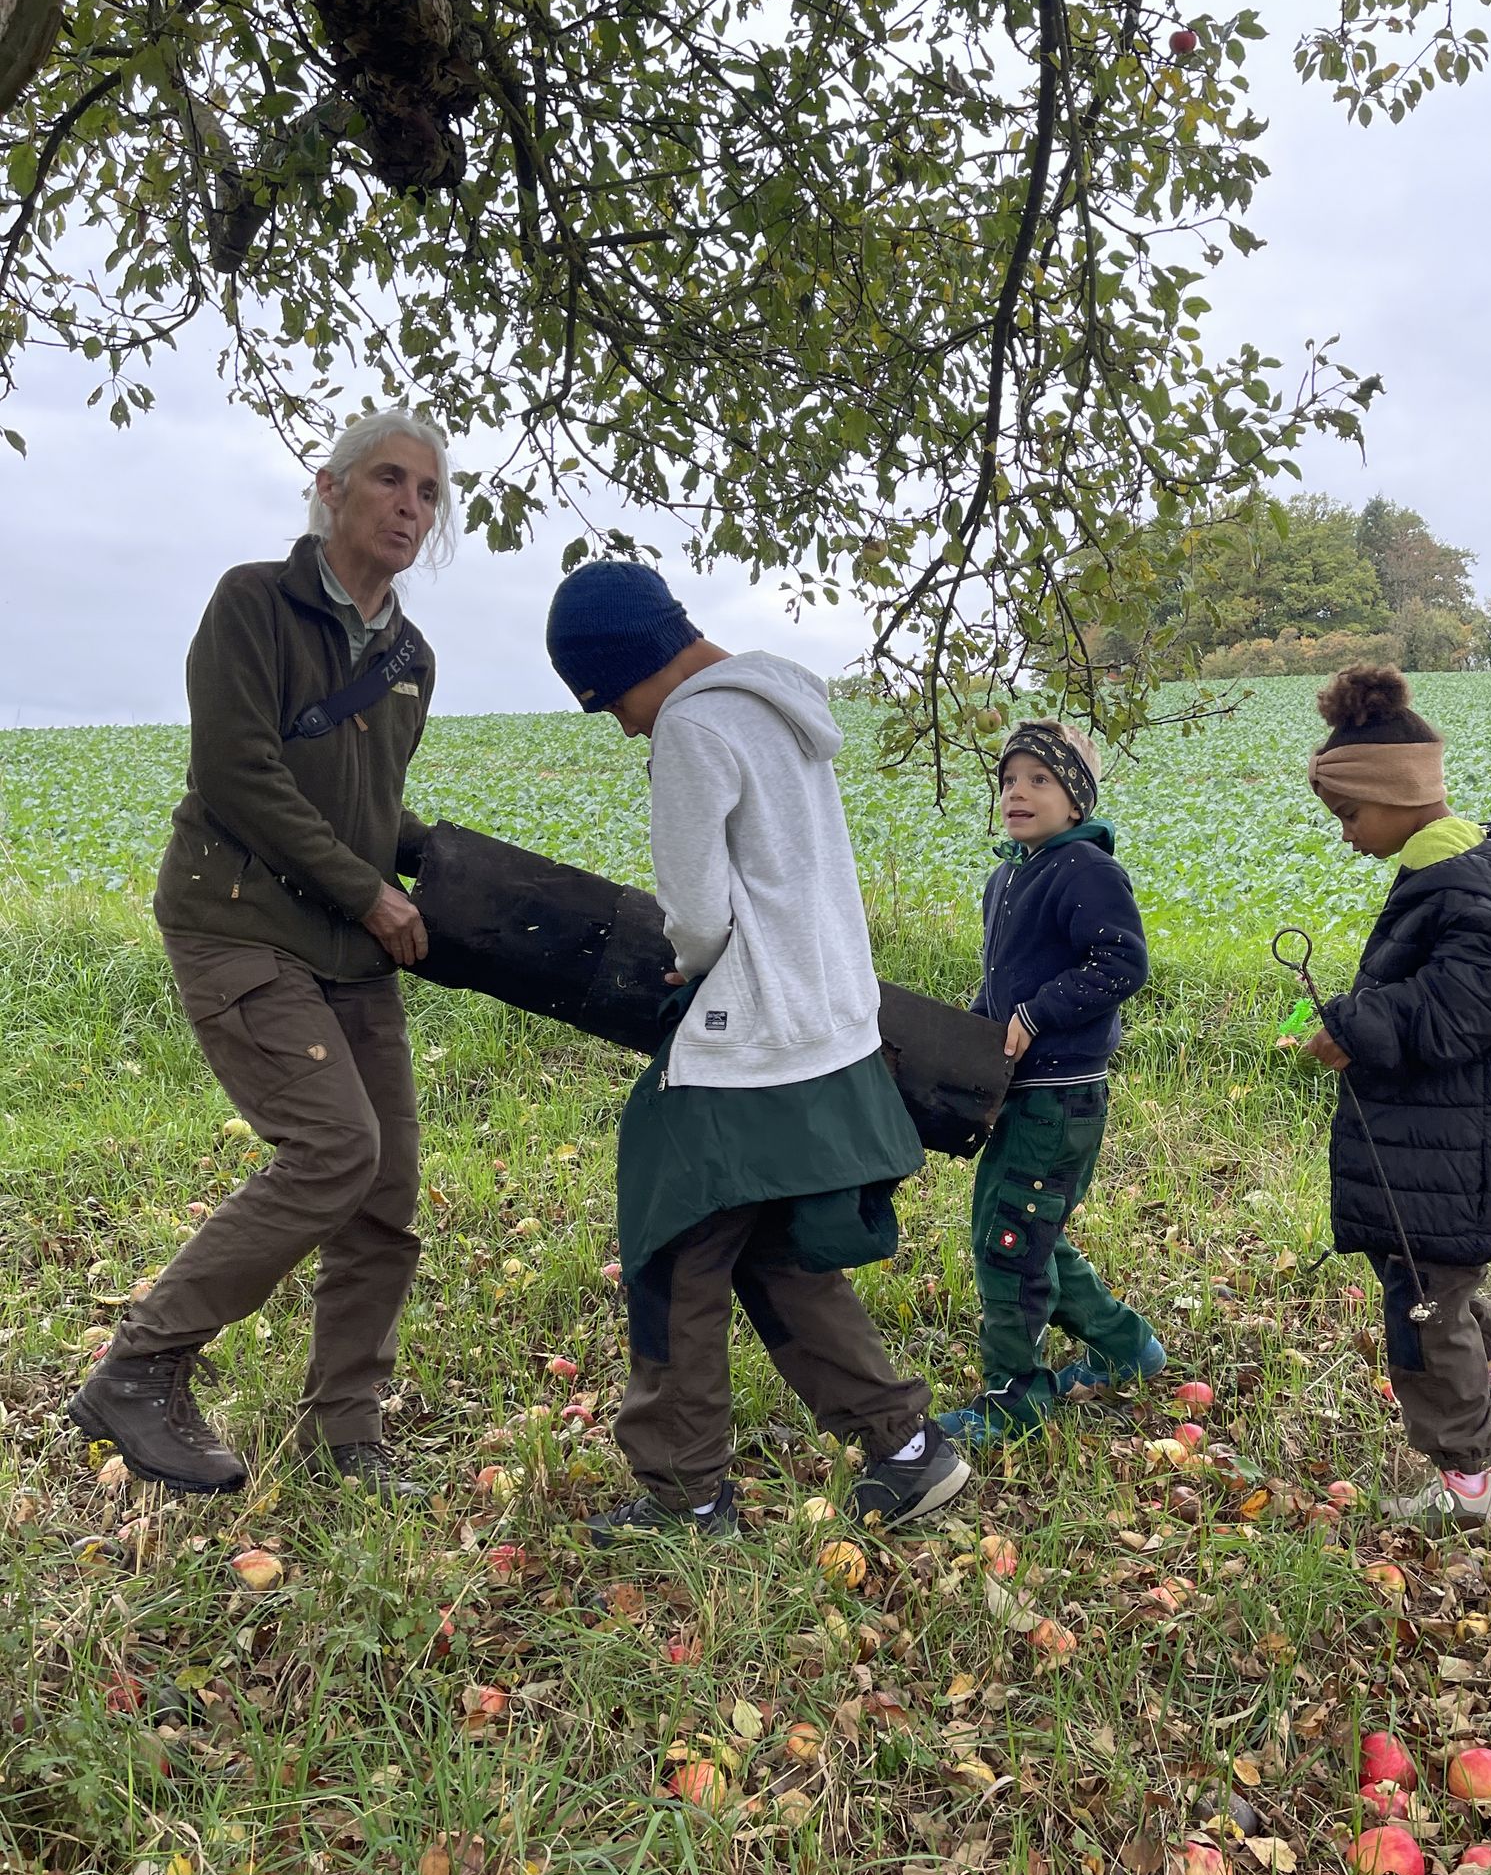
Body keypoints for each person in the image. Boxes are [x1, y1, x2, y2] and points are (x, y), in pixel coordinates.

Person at [66, 410, 451, 1500]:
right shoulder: (252, 605)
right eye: (389, 480)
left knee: (386, 1186)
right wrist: (366, 889)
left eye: (427, 493)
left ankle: (346, 1432)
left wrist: (443, 867)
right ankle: (140, 1368)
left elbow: (368, 806)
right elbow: (239, 775)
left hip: (348, 949)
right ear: (330, 490)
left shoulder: (409, 655)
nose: (410, 508)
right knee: (334, 1148)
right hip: (237, 924)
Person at [544, 561, 971, 1541]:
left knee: (671, 1252)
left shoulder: (693, 723)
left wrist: (685, 967)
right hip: (831, 1027)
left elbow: (697, 911)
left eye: (610, 701)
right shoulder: (783, 707)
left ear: (627, 663)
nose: (623, 725)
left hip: (751, 1039)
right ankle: (906, 1449)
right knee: (775, 1248)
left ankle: (685, 1496)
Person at [1301, 665, 1491, 1536]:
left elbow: (1462, 1009)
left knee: (1424, 1308)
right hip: (1478, 1139)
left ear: (1400, 798)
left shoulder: (1465, 893)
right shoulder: (1481, 869)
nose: (1348, 837)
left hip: (1474, 1151)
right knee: (1433, 1275)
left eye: (1351, 815)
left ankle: (1472, 1492)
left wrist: (1352, 1027)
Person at [941, 720, 1164, 1450]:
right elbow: (1003, 987)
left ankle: (1015, 1399)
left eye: (1040, 779)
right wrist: (973, 1039)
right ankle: (1127, 1346)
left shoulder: (1085, 870)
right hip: (1020, 1091)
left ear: (1076, 800)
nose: (1018, 792)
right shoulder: (1007, 877)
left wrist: (1037, 1015)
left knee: (1011, 1242)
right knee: (1024, 1230)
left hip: (1061, 1096)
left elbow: (1121, 964)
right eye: (1009, 779)